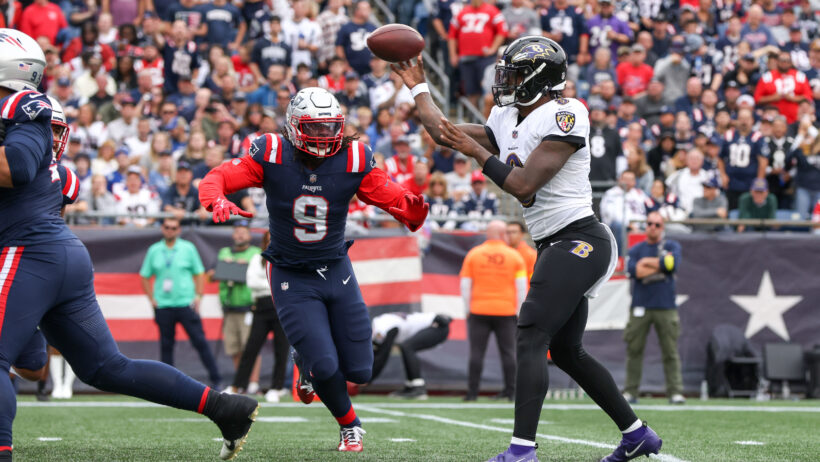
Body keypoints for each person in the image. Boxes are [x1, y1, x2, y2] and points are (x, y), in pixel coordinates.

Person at [392, 36, 661, 461]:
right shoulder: (507, 115)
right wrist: (419, 87)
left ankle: (521, 450)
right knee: (566, 351)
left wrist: (477, 152)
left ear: (540, 78)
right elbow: (443, 132)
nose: (506, 82)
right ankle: (637, 434)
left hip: (581, 238)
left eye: (515, 74)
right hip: (553, 241)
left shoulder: (567, 113)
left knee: (532, 332)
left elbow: (522, 185)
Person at [0, 29, 256, 461]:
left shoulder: (23, 110)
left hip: (31, 254)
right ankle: (223, 407)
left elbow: (20, 167)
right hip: (55, 257)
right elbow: (33, 367)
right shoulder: (58, 170)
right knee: (105, 367)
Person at [198, 87, 428, 452]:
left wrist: (409, 208)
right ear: (293, 126)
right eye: (314, 128)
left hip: (337, 267)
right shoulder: (272, 153)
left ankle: (304, 361)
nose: (322, 136)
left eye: (328, 127)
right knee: (324, 363)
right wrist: (215, 198)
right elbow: (218, 177)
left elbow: (388, 193)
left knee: (360, 371)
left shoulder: (354, 156)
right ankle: (349, 424)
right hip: (291, 273)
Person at [140, 217, 223, 388]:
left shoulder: (187, 248)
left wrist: (199, 296)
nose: (170, 230)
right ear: (162, 228)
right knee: (166, 345)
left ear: (179, 230)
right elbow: (144, 275)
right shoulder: (154, 250)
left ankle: (216, 380)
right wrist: (152, 299)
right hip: (163, 305)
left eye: (174, 227)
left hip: (186, 303)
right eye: (167, 227)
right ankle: (167, 384)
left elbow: (200, 273)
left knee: (200, 342)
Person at [460, 221, 527, 402]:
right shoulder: (514, 256)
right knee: (508, 353)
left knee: (476, 353)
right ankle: (511, 392)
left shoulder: (474, 254)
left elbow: (465, 284)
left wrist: (467, 309)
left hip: (478, 310)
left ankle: (472, 393)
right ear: (503, 234)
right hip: (506, 311)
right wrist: (519, 311)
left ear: (487, 233)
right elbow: (521, 287)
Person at [624, 211, 684, 405]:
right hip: (640, 305)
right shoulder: (636, 249)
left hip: (666, 307)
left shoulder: (672, 245)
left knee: (670, 351)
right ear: (646, 225)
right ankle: (631, 391)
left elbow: (672, 265)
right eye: (650, 223)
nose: (653, 227)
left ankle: (675, 392)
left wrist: (647, 262)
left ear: (663, 227)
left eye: (657, 224)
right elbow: (635, 271)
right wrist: (659, 264)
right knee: (634, 350)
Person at [227, 231, 290, 403]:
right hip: (261, 307)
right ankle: (237, 386)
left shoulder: (286, 257)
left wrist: (275, 285)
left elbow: (287, 284)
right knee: (251, 349)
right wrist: (274, 284)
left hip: (280, 307)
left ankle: (276, 388)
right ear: (264, 242)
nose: (271, 243)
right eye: (268, 240)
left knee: (281, 349)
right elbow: (252, 283)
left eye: (274, 239)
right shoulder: (257, 258)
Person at [212, 221, 262, 393]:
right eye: (237, 232)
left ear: (249, 235)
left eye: (243, 232)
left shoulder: (255, 253)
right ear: (233, 234)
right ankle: (241, 381)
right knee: (234, 347)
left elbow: (260, 273)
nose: (240, 235)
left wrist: (240, 268)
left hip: (248, 306)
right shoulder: (224, 252)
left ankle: (253, 382)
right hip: (229, 306)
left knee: (250, 346)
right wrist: (226, 267)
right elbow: (212, 274)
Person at [370, 312, 451, 400]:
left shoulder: (381, 327)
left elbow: (381, 355)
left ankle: (418, 387)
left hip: (438, 325)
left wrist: (367, 379)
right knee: (406, 347)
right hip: (436, 324)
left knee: (407, 347)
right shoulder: (380, 322)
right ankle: (411, 386)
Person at [718, 108, 769, 210]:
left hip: (750, 183)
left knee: (748, 212)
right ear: (737, 120)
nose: (744, 121)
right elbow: (720, 158)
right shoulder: (729, 135)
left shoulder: (757, 137)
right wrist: (723, 175)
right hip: (731, 182)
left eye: (747, 118)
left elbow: (763, 161)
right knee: (732, 211)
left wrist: (758, 182)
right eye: (741, 118)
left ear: (752, 120)